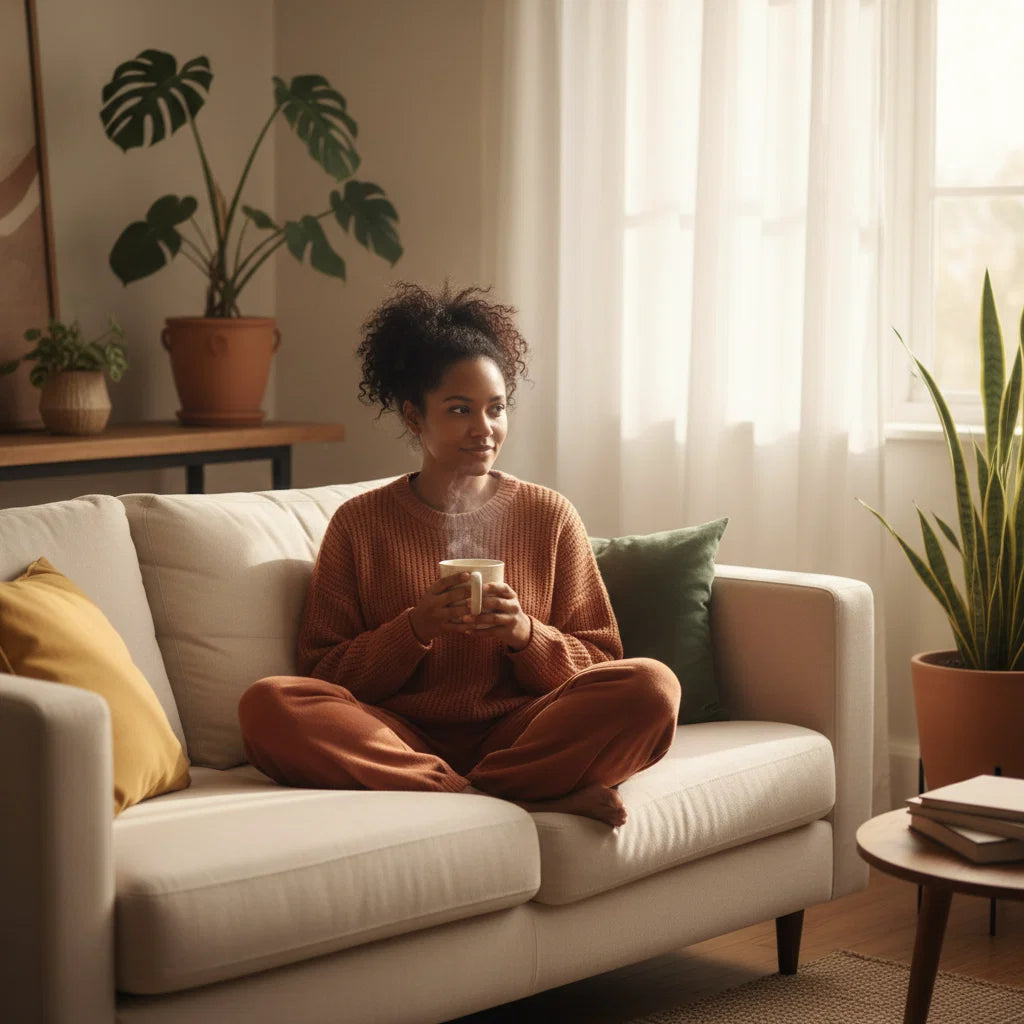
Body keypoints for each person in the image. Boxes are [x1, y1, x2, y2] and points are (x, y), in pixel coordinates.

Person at [238, 283, 681, 827]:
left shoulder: (549, 515)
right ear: (413, 417)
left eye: (496, 409)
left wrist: (525, 634)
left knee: (652, 686)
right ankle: (505, 798)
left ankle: (484, 791)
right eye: (458, 409)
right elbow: (324, 672)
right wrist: (414, 629)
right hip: (399, 737)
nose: (483, 429)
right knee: (269, 705)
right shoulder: (359, 523)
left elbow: (603, 661)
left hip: (523, 731)